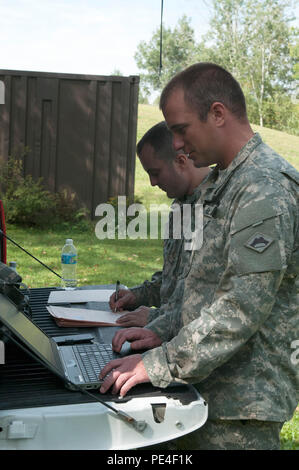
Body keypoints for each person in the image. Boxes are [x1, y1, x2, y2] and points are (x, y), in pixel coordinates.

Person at [100, 63, 299, 450]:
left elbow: (241, 307)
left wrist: (157, 364)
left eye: (180, 129)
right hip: (209, 389)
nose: (176, 144)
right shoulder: (225, 183)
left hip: (241, 407)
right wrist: (161, 325)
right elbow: (200, 287)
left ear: (218, 114)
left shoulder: (263, 188)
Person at [109, 121, 210, 327]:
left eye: (155, 172)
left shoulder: (220, 207)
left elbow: (217, 302)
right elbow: (174, 278)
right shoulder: (180, 206)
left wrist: (156, 319)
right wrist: (137, 295)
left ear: (181, 161)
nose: (153, 183)